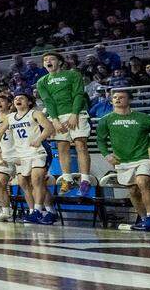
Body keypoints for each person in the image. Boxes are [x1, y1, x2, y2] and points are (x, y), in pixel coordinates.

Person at [96, 89, 150, 231]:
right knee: (132, 191)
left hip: (144, 157)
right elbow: (100, 140)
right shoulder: (106, 120)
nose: (117, 99)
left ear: (129, 100)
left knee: (142, 182)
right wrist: (106, 155)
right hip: (123, 161)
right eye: (115, 97)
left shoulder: (143, 118)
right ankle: (143, 219)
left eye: (121, 97)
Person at [36, 51, 93, 195]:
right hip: (57, 116)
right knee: (62, 147)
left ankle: (85, 179)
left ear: (60, 62)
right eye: (45, 60)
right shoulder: (42, 81)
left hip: (77, 113)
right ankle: (67, 179)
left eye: (52, 59)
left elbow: (78, 94)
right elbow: (48, 101)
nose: (48, 61)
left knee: (80, 144)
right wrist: (54, 119)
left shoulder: (73, 74)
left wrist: (74, 114)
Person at [0, 93, 56, 225]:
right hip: (22, 155)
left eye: (21, 98)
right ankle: (35, 210)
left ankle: (41, 212)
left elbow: (49, 128)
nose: (17, 100)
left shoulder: (35, 114)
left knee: (37, 181)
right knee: (24, 183)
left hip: (38, 151)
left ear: (29, 102)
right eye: (16, 98)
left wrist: (39, 139)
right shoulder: (10, 117)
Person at [0, 93, 31, 222]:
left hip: (19, 154)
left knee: (26, 184)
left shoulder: (14, 117)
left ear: (9, 104)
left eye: (1, 101)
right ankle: (6, 211)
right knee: (0, 183)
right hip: (4, 155)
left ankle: (35, 210)